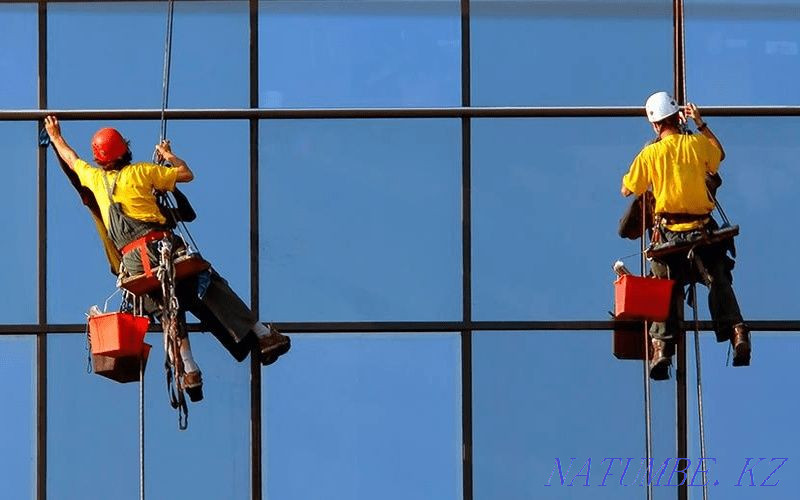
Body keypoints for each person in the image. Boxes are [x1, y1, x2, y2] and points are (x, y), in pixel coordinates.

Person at [44, 115, 290, 400]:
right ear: (125, 150)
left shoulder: (95, 179)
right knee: (208, 284)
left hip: (135, 266)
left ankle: (189, 369)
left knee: (167, 310)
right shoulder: (142, 173)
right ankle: (262, 334)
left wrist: (56, 136)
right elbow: (186, 174)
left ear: (100, 160)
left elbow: (72, 160)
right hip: (161, 250)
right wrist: (169, 156)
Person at [620, 92, 749, 380]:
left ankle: (662, 350)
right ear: (678, 118)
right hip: (702, 231)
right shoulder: (697, 145)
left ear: (655, 125)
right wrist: (701, 124)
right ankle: (738, 331)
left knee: (662, 289)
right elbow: (719, 155)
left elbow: (628, 188)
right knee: (718, 279)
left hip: (670, 236)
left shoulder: (650, 154)